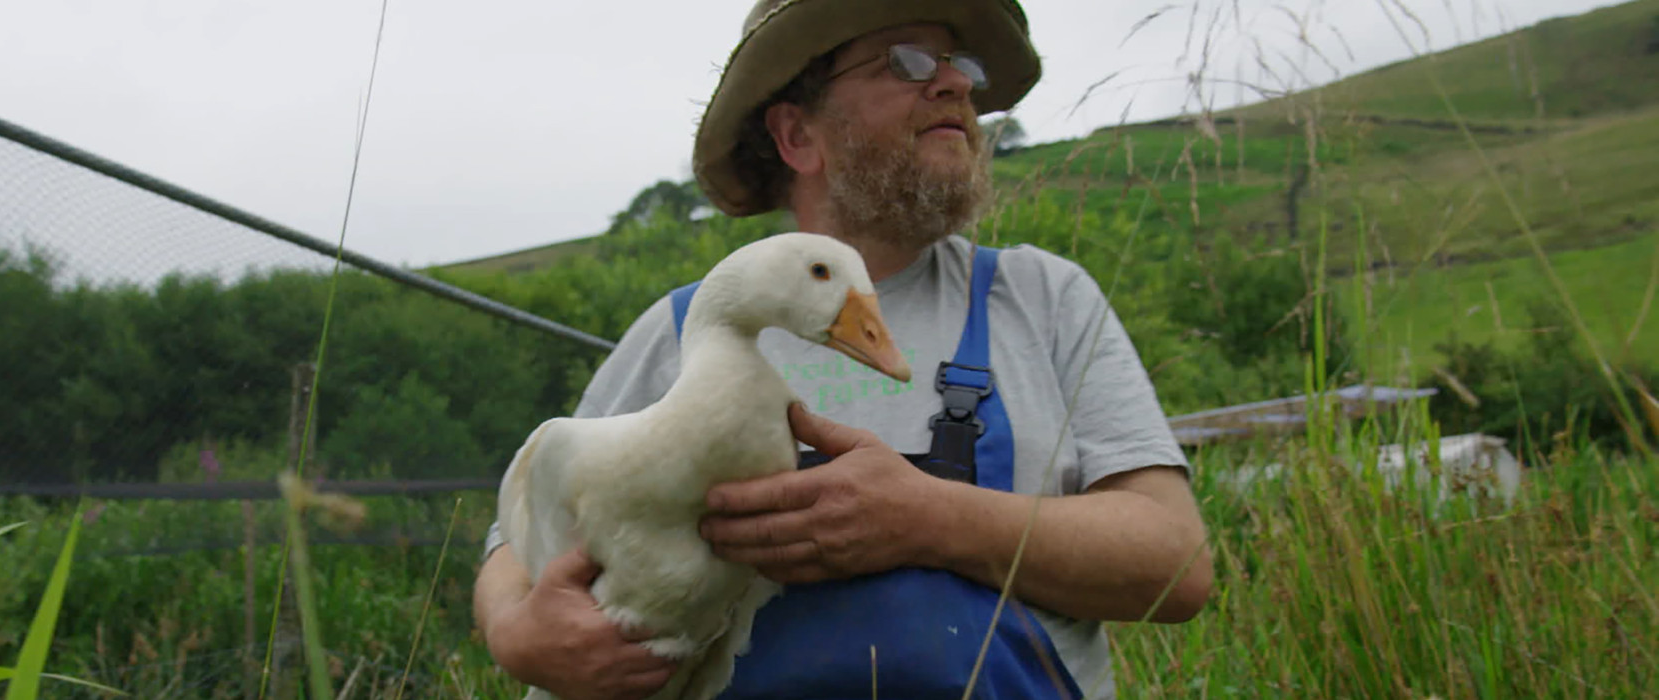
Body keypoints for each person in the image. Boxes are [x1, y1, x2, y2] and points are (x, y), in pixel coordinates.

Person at [472, 1, 1213, 698]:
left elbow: (1174, 564)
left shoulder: (1041, 298)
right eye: (909, 62)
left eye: (960, 65)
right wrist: (516, 634)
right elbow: (521, 536)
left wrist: (929, 518)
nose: (955, 82)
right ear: (797, 135)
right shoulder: (679, 329)